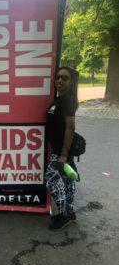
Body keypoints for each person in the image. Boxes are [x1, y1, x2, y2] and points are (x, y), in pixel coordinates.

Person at [45, 66, 79, 230]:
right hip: (63, 149)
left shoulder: (67, 100)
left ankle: (64, 215)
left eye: (64, 78)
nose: (59, 80)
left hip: (62, 150)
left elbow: (70, 127)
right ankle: (69, 213)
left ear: (71, 82)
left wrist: (64, 154)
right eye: (57, 77)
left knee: (51, 179)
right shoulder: (61, 99)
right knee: (67, 180)